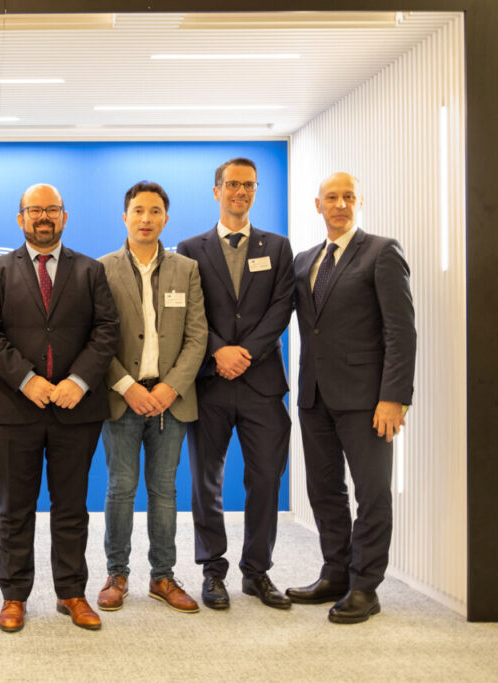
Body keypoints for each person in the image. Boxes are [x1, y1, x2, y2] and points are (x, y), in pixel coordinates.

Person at [0, 183, 119, 632]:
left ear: (64, 217)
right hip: (15, 409)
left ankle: (71, 593)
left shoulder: (91, 271)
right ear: (20, 219)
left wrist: (77, 381)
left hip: (77, 408)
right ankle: (14, 597)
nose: (43, 217)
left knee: (71, 507)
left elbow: (106, 330)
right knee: (15, 508)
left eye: (51, 210)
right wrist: (26, 379)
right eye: (34, 210)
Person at [287, 172, 416, 624]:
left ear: (358, 202)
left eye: (348, 197)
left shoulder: (382, 252)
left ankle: (366, 586)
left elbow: (400, 331)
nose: (340, 204)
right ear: (317, 205)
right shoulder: (304, 261)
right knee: (324, 490)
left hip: (368, 400)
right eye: (331, 198)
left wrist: (394, 397)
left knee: (373, 493)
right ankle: (335, 574)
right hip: (314, 397)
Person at [176, 159, 295, 611]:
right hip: (209, 383)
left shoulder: (278, 247)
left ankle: (257, 571)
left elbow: (282, 307)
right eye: (231, 184)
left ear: (255, 191)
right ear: (216, 191)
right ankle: (213, 570)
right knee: (207, 480)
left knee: (265, 478)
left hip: (262, 383)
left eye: (248, 185)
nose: (239, 192)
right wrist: (219, 350)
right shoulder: (189, 248)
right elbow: (186, 311)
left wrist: (245, 354)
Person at [94, 181, 207, 614]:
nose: (146, 218)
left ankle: (163, 576)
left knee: (164, 490)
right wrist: (126, 386)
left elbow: (198, 337)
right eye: (138, 210)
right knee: (120, 489)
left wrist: (168, 387)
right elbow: (96, 339)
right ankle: (116, 574)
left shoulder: (187, 269)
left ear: (165, 218)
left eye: (155, 211)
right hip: (122, 399)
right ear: (125, 217)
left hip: (170, 400)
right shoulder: (100, 269)